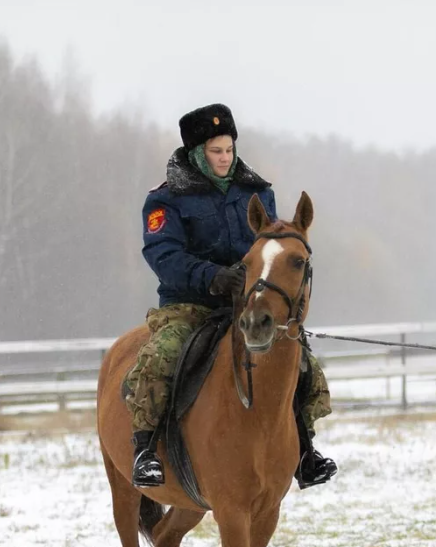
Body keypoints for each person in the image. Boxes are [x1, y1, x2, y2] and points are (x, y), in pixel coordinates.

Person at [125, 103, 338, 490]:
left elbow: (269, 246)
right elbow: (163, 255)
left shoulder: (257, 192)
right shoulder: (166, 200)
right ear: (196, 153)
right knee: (163, 356)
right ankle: (145, 449)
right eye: (215, 151)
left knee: (301, 361)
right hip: (189, 303)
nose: (224, 158)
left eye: (228, 150)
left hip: (247, 303)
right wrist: (211, 277)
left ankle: (305, 451)